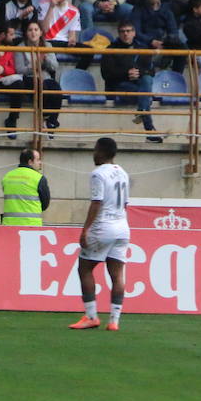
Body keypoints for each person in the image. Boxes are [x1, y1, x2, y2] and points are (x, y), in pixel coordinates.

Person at [69, 137, 130, 331]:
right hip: (122, 227)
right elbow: (126, 204)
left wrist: (85, 229)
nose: (93, 153)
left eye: (95, 150)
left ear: (102, 152)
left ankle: (91, 316)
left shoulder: (98, 174)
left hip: (103, 226)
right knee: (117, 274)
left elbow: (97, 202)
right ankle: (114, 321)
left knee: (84, 269)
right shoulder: (123, 173)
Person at [102, 20, 160, 141]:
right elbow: (106, 73)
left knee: (147, 79)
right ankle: (148, 127)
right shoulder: (111, 49)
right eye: (122, 31)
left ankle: (143, 115)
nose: (125, 34)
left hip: (139, 84)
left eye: (128, 31)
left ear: (134, 33)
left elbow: (151, 71)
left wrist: (138, 73)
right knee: (145, 95)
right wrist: (127, 74)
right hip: (119, 85)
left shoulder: (142, 48)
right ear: (118, 33)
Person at [16, 19, 62, 131]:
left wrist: (45, 59)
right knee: (41, 86)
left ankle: (52, 121)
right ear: (26, 33)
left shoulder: (47, 45)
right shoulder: (20, 47)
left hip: (45, 76)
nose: (33, 32)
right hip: (29, 78)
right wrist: (33, 66)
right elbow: (19, 70)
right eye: (30, 30)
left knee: (56, 89)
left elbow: (54, 66)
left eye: (36, 30)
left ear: (41, 32)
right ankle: (46, 115)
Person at [0, 146, 49, 225]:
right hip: (31, 225)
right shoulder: (39, 178)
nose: (40, 162)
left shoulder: (7, 176)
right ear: (30, 162)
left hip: (9, 225)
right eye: (38, 159)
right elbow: (45, 204)